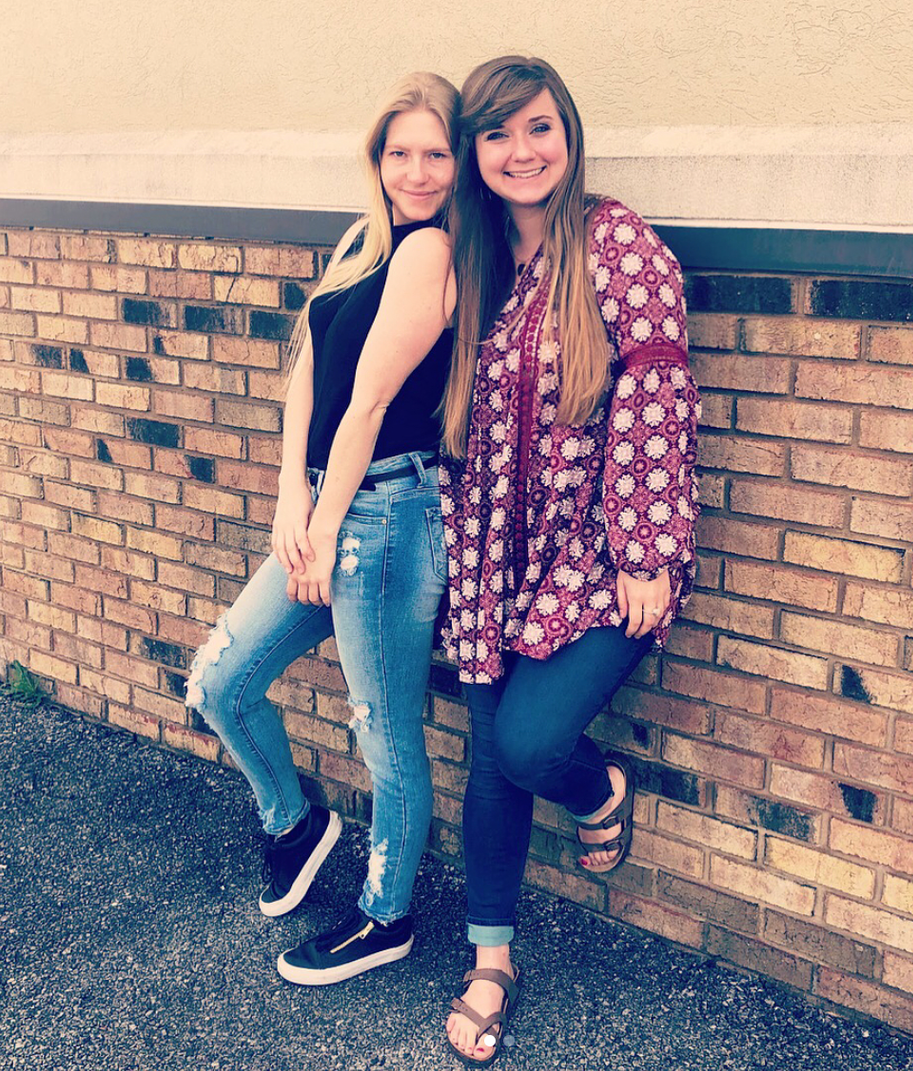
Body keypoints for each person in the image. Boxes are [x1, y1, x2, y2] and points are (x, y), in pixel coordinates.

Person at [439, 56, 699, 1063]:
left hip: (597, 550)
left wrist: (644, 547)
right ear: (474, 152)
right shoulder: (472, 261)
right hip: (492, 556)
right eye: (497, 134)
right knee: (487, 754)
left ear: (568, 133)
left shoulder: (614, 242)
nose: (521, 151)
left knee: (530, 742)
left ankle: (599, 793)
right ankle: (490, 963)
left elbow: (653, 391)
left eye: (538, 127)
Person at [184, 71, 459, 986]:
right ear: (376, 157)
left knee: (385, 731)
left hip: (387, 515)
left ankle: (386, 916)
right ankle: (294, 825)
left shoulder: (431, 251)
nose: (415, 171)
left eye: (435, 153)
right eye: (398, 151)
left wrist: (327, 522)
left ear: (459, 164)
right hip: (323, 501)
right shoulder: (363, 240)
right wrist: (287, 499)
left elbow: (371, 400)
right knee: (220, 682)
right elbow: (307, 371)